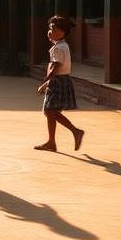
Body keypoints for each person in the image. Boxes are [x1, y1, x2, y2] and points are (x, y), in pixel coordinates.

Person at [36, 15, 85, 152]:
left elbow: (55, 66)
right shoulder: (62, 46)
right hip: (62, 81)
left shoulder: (58, 48)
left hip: (57, 82)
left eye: (56, 30)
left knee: (50, 111)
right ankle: (51, 142)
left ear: (64, 32)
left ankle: (75, 131)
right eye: (51, 29)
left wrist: (46, 81)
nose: (52, 32)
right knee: (51, 112)